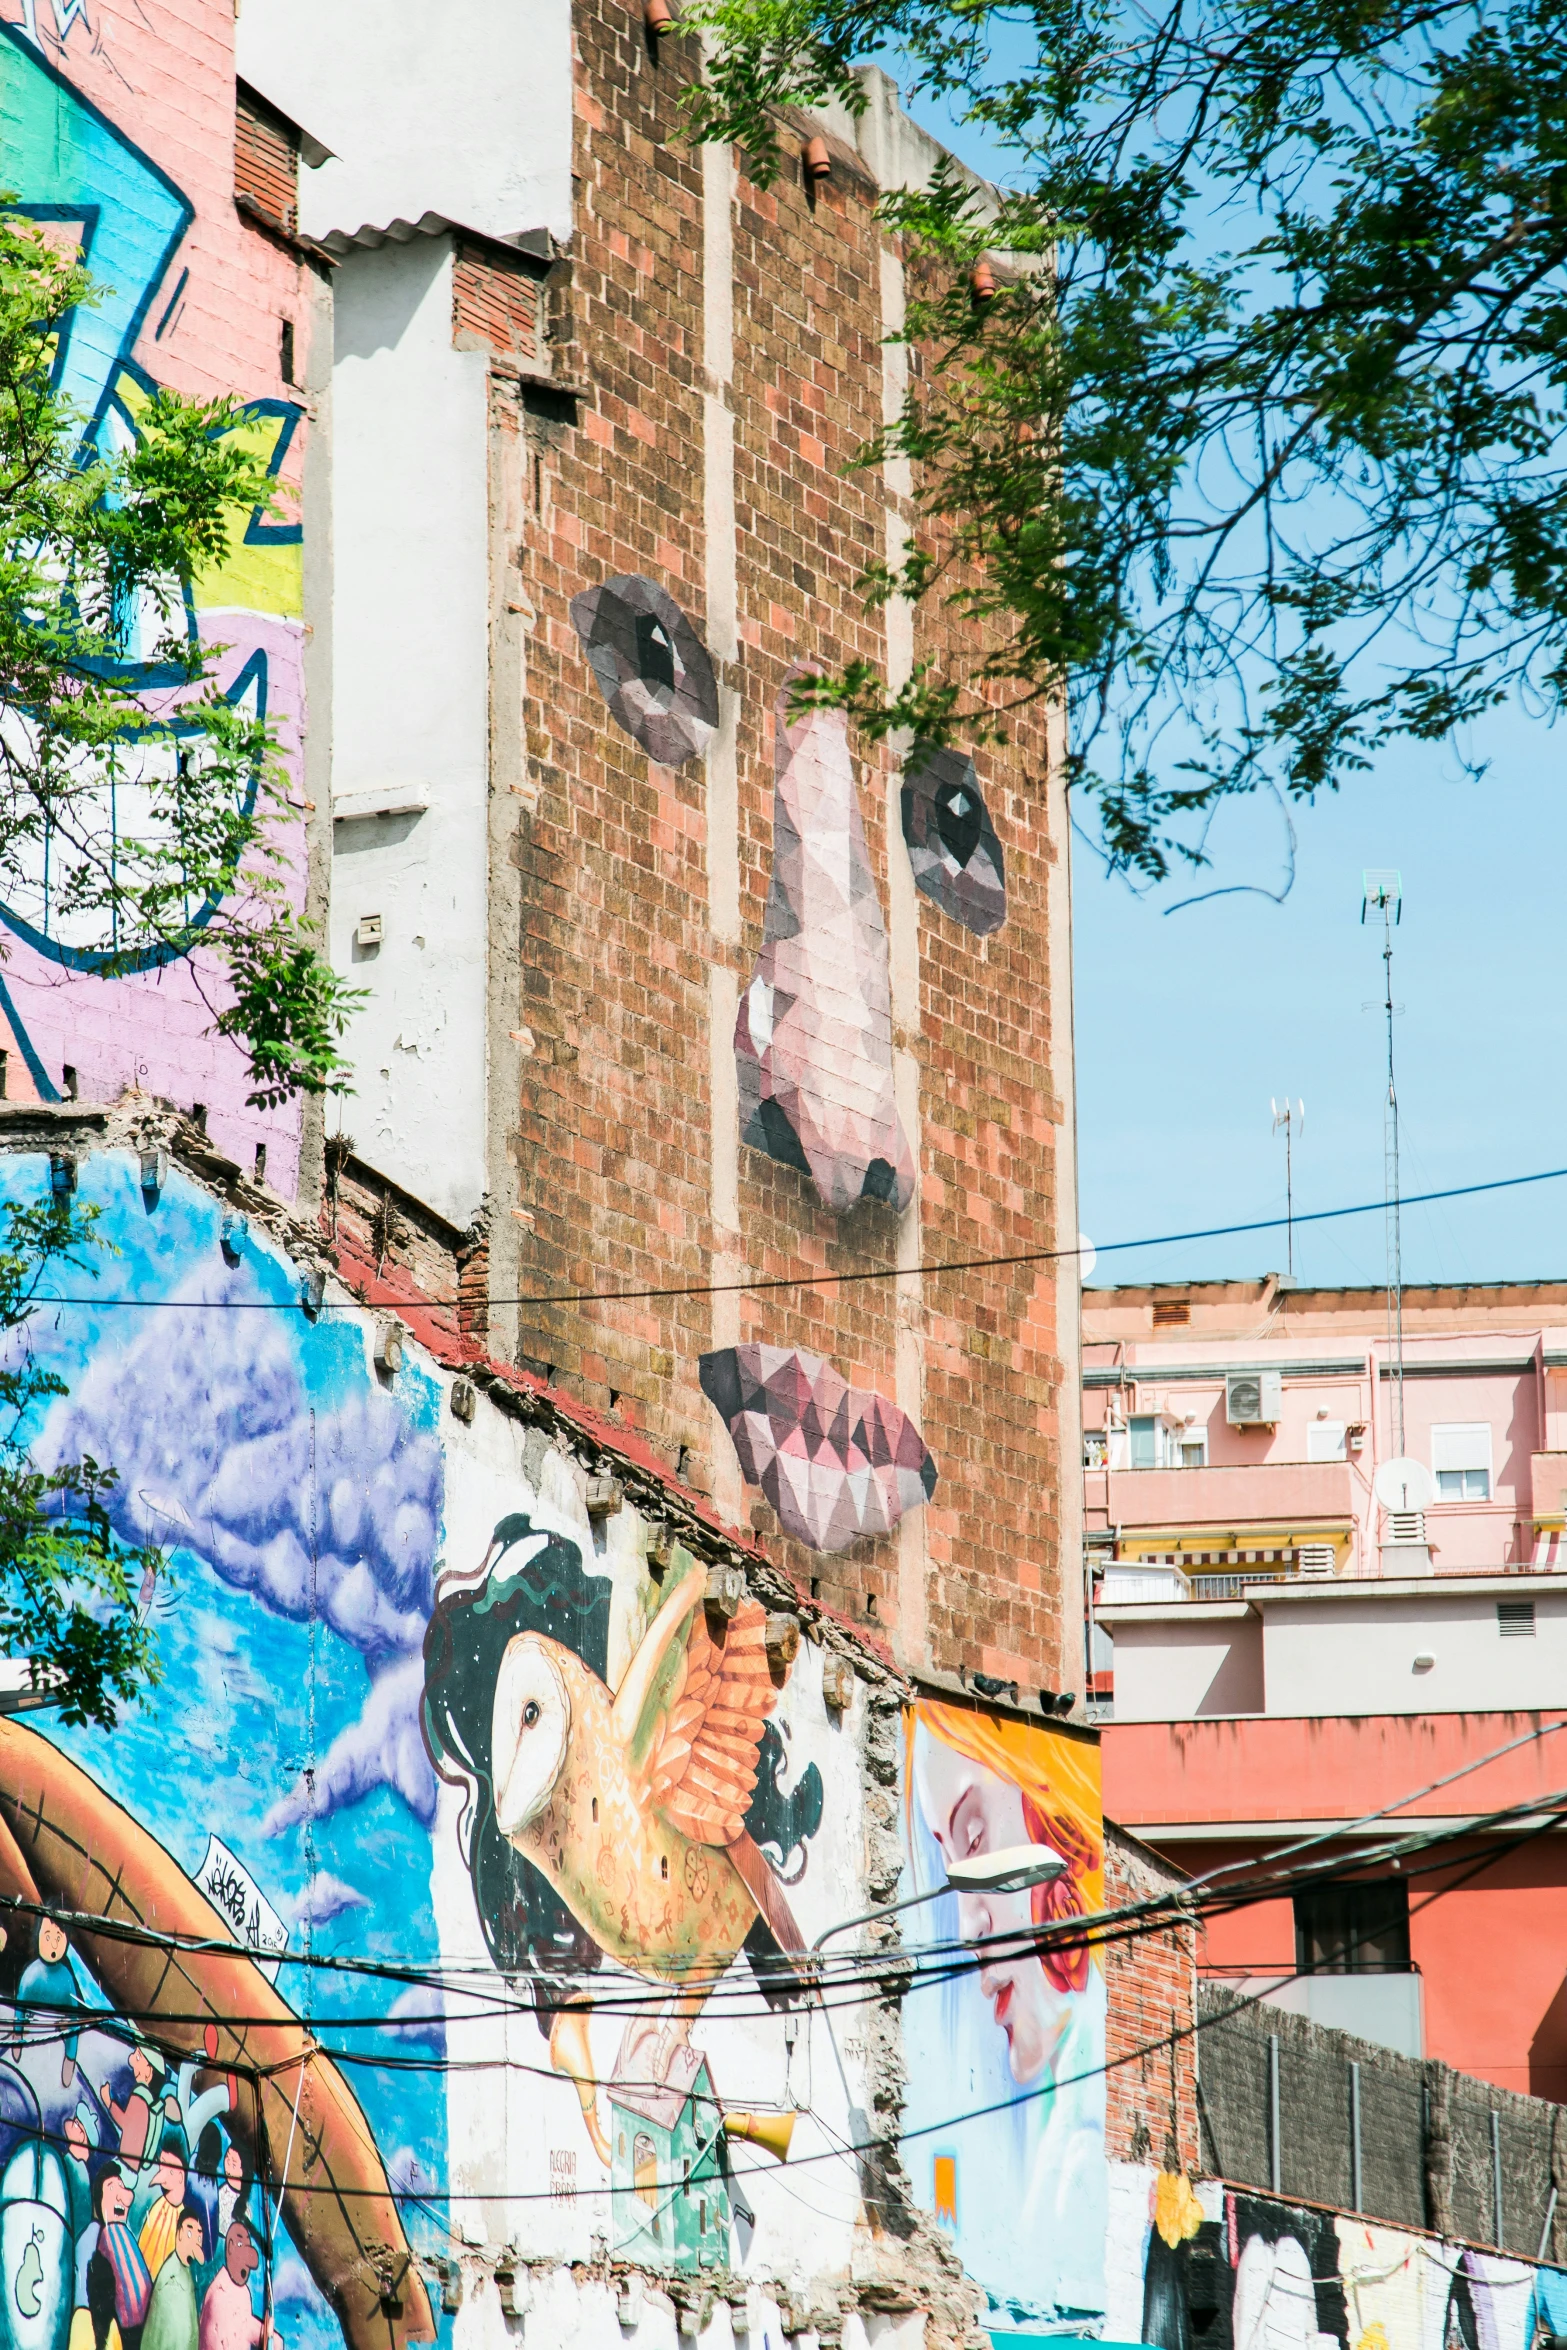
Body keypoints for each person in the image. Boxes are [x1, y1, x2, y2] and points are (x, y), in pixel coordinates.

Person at [909, 1700, 1108, 2324]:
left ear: (1050, 1816)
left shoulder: (1082, 2140)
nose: (970, 1925)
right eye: (950, 1865)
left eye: (975, 1840)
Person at [14, 1916, 87, 2089]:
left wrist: (70, 2057)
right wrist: (18, 2035)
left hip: (56, 2048)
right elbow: (20, 2008)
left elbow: (74, 2021)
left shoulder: (67, 1979)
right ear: (38, 1936)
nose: (53, 1945)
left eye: (58, 1938)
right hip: (32, 2047)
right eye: (47, 1937)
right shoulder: (31, 1976)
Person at [88, 2165, 152, 2350]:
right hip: (125, 2327)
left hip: (141, 2325)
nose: (119, 2194)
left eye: (120, 2186)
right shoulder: (107, 2237)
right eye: (111, 2187)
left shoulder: (126, 2234)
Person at [197, 2220, 279, 2350]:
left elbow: (245, 2327)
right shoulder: (222, 2295)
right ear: (230, 2247)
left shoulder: (234, 2290)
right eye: (241, 2243)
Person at [140, 2211, 205, 2350]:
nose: (195, 2238)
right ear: (180, 2234)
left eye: (199, 2233)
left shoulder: (185, 2272)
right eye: (189, 2232)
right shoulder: (171, 2280)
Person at [103, 2045, 165, 2171]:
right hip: (132, 2164)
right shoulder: (147, 2097)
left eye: (139, 2056)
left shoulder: (140, 2095)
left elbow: (125, 2123)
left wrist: (108, 2102)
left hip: (127, 2163)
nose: (134, 2056)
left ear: (149, 2072)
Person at [138, 2147, 187, 2280]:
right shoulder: (158, 2209)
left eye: (170, 2170)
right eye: (161, 2166)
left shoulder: (185, 2219)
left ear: (181, 2176)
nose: (162, 2174)